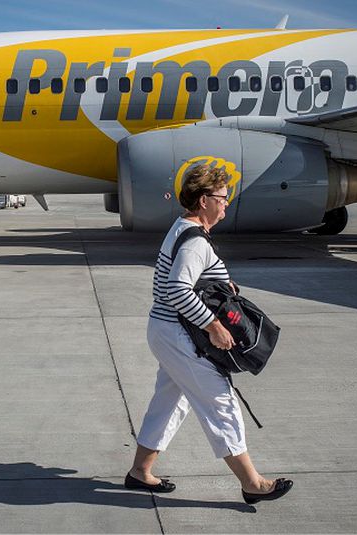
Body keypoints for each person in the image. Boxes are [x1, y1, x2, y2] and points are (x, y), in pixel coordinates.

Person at [125, 164, 293, 505]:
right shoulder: (194, 241)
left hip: (166, 330)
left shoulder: (183, 227)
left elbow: (185, 280)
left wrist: (220, 284)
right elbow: (177, 289)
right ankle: (252, 483)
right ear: (204, 201)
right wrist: (213, 326)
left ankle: (141, 471)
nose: (226, 204)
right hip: (178, 334)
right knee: (220, 402)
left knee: (170, 401)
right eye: (222, 197)